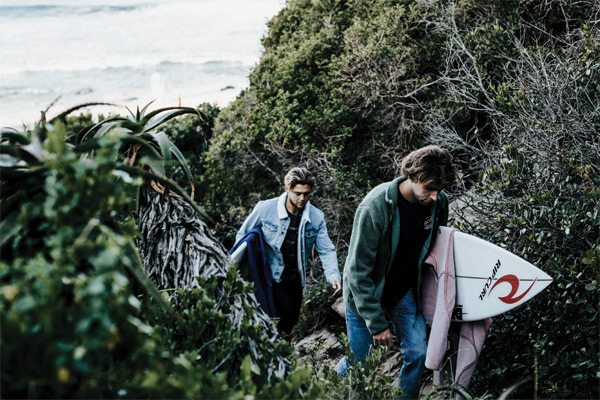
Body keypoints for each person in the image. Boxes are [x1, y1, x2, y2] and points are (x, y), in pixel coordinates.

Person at [335, 145, 457, 399]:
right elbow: (357, 271)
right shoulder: (375, 206)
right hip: (364, 294)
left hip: (403, 291)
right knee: (360, 363)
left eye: (439, 190)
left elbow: (436, 247)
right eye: (430, 189)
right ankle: (318, 388)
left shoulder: (438, 204)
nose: (435, 197)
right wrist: (377, 323)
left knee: (418, 352)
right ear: (412, 177)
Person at [236, 167, 342, 335]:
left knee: (287, 327)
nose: (302, 198)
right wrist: (237, 271)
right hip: (267, 278)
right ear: (287, 189)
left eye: (306, 194)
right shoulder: (265, 209)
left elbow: (326, 249)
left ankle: (283, 359)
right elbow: (242, 237)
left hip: (293, 282)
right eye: (297, 193)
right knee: (264, 325)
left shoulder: (316, 217)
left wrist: (333, 275)